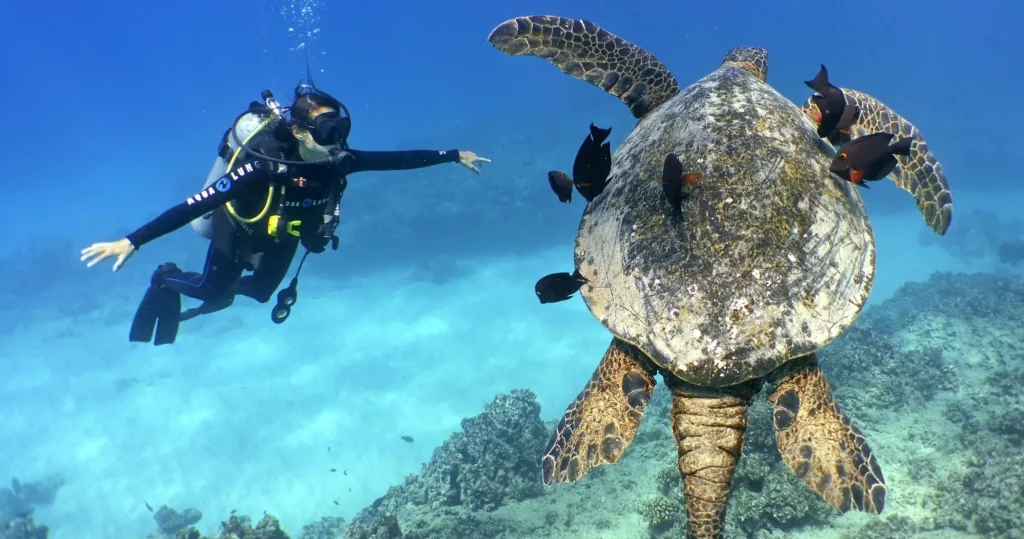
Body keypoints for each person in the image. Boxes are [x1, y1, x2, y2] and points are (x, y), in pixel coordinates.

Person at [80, 82, 491, 345]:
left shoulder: (337, 161)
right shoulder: (261, 168)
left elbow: (396, 160)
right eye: (328, 133)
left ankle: (225, 291)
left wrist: (454, 155)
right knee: (206, 288)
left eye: (341, 130)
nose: (339, 142)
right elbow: (196, 204)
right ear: (298, 132)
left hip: (286, 233)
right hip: (239, 229)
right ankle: (165, 279)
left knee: (259, 294)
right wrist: (132, 240)